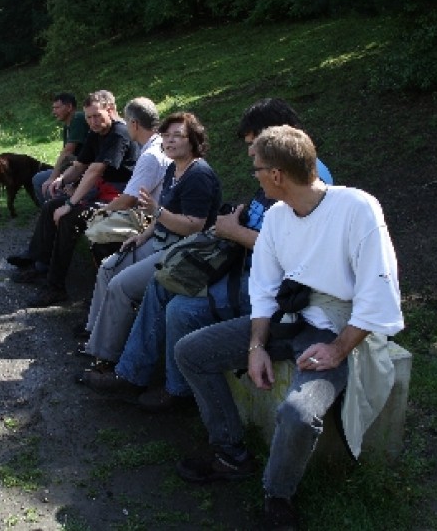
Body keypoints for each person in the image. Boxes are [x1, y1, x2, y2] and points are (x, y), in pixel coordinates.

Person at [173, 125, 404, 530]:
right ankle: (231, 454)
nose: (256, 177)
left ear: (276, 175)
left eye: (257, 169)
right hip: (289, 318)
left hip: (335, 330)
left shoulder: (357, 208)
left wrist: (337, 350)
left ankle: (277, 494)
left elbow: (378, 293)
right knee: (191, 352)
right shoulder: (278, 218)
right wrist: (256, 347)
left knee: (298, 413)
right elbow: (264, 289)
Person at [83, 98, 333, 412]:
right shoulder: (274, 168)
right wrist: (236, 221)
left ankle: (176, 391)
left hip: (267, 281)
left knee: (179, 308)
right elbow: (268, 225)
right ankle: (131, 373)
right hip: (240, 259)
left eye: (254, 143)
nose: (250, 154)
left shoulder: (308, 176)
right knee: (161, 282)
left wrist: (233, 231)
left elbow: (294, 253)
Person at [78, 112, 222, 385]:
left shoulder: (199, 175)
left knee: (121, 285)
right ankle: (96, 338)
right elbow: (161, 214)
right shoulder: (172, 169)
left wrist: (157, 212)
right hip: (159, 240)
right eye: (166, 136)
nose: (169, 141)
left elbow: (194, 227)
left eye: (177, 136)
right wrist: (143, 236)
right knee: (108, 268)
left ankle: (107, 360)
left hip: (184, 250)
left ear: (194, 140)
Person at [11, 90, 140, 307]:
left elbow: (95, 171)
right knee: (51, 206)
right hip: (103, 194)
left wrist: (71, 203)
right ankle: (40, 264)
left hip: (122, 200)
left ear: (110, 110)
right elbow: (80, 165)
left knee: (69, 217)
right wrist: (60, 180)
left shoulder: (119, 133)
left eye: (97, 116)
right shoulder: (96, 131)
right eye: (89, 117)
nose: (93, 122)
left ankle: (55, 287)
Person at [30, 92, 90, 206]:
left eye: (57, 108)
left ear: (69, 107)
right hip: (74, 166)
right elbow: (67, 155)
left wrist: (53, 177)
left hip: (83, 169)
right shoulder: (68, 125)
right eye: (53, 108)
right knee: (38, 179)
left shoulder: (78, 119)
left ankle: (58, 208)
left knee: (43, 181)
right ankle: (49, 210)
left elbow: (68, 151)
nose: (54, 112)